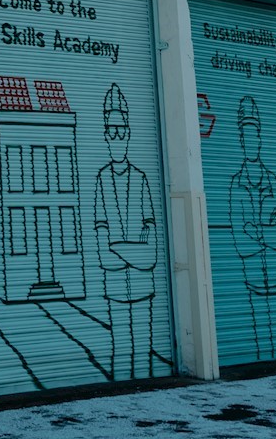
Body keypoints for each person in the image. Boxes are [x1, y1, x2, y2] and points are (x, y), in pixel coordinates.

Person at [92, 83, 158, 380]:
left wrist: (119, 245)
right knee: (119, 350)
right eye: (111, 130)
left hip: (143, 287)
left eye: (121, 130)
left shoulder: (142, 179)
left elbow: (151, 254)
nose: (116, 136)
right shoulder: (101, 181)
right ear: (105, 135)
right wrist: (133, 248)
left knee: (144, 349)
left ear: (129, 132)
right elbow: (105, 258)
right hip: (115, 288)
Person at [226, 96, 276, 359]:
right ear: (241, 141)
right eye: (247, 137)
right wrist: (265, 229)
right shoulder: (236, 185)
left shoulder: (273, 181)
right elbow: (241, 244)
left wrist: (255, 230)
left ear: (260, 139)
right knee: (260, 339)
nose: (252, 142)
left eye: (256, 136)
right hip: (252, 279)